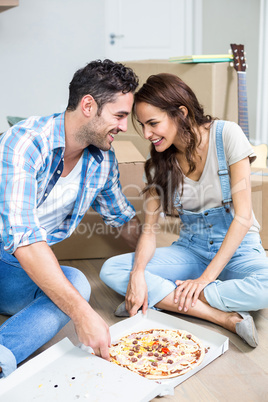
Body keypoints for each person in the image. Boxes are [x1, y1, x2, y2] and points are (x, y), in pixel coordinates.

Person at [100, 72, 268, 348]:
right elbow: (150, 233)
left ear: (181, 112)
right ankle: (224, 318)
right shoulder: (158, 165)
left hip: (240, 249)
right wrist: (139, 274)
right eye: (142, 125)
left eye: (153, 123)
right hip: (192, 250)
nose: (146, 134)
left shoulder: (227, 135)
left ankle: (161, 299)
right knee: (114, 269)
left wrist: (202, 281)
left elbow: (243, 216)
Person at [0, 59, 141, 378]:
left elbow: (125, 220)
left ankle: (2, 357)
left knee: (76, 283)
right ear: (88, 106)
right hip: (12, 253)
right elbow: (24, 240)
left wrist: (147, 266)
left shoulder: (101, 160)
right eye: (119, 115)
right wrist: (82, 315)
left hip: (13, 271)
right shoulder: (23, 144)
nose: (123, 127)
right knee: (76, 299)